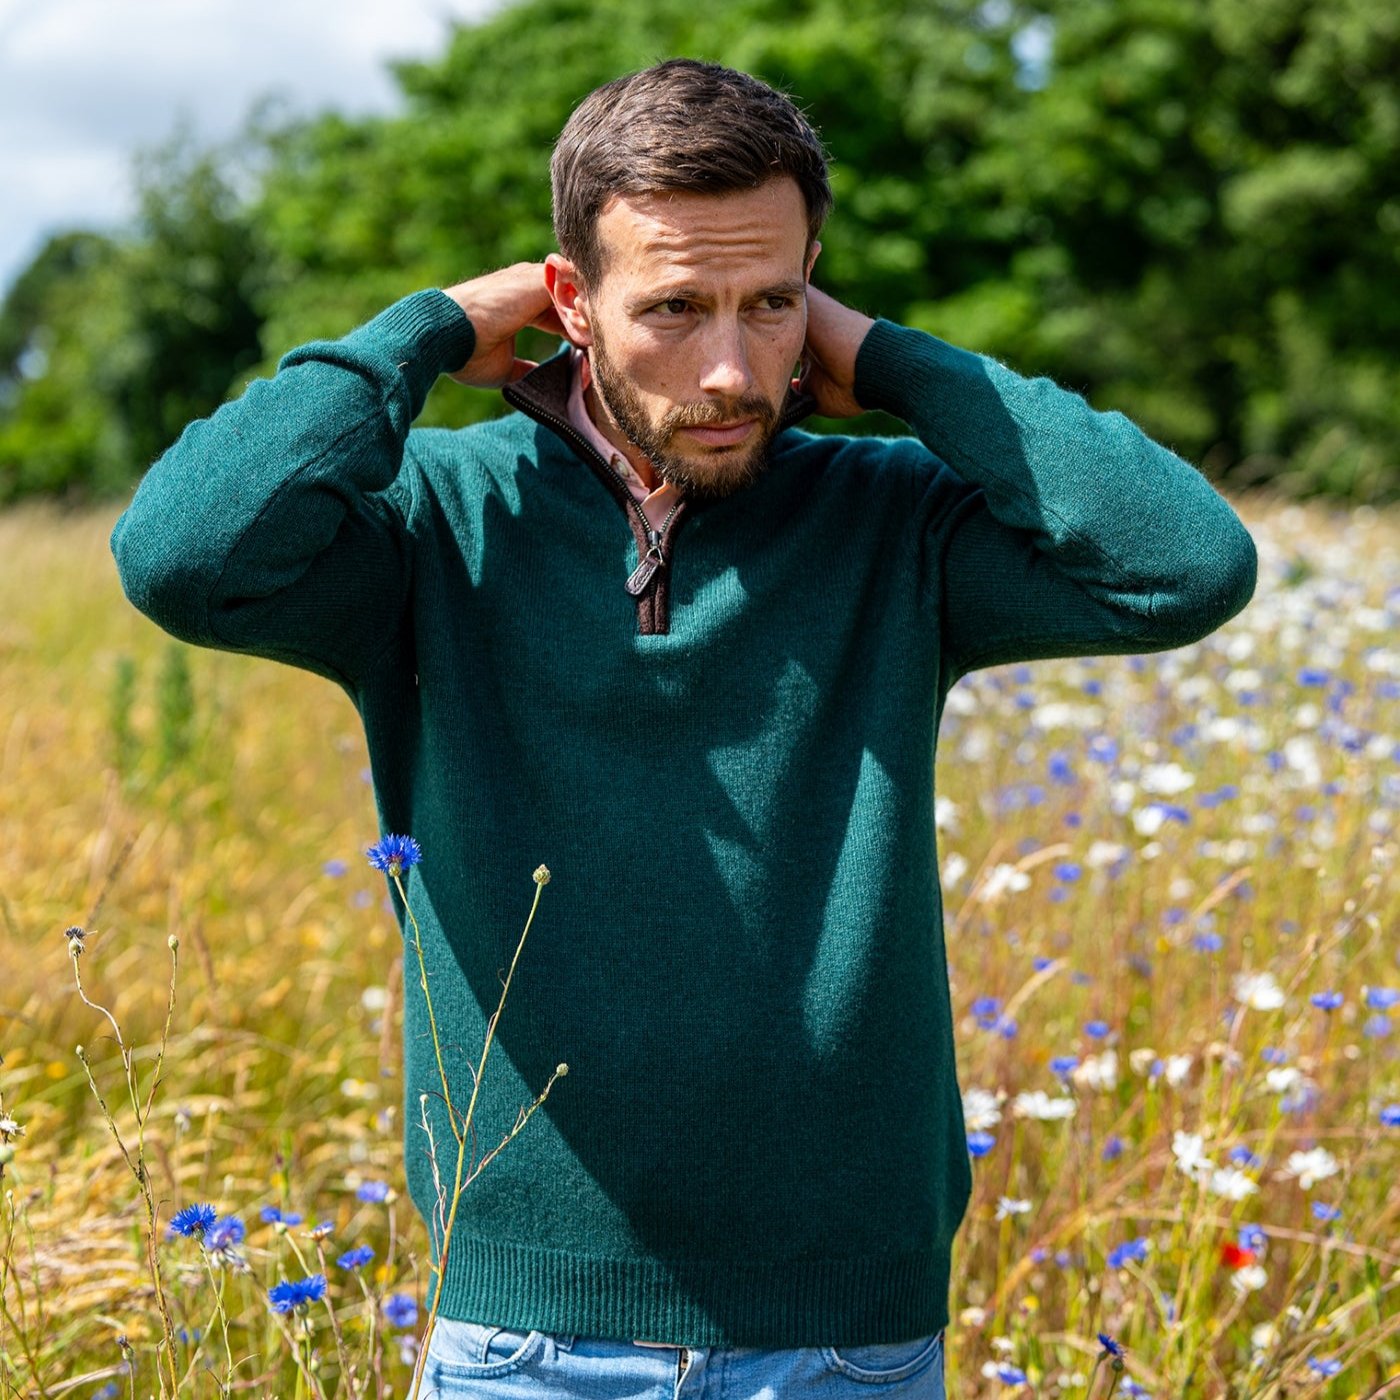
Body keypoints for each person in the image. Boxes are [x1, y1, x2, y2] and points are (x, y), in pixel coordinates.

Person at [111, 57, 1257, 1398]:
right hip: (522, 1339)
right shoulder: (435, 527)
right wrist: (427, 328)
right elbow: (182, 554)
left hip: (845, 1338)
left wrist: (887, 358)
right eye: (671, 308)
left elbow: (1186, 565)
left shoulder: (892, 523)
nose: (728, 368)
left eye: (771, 303)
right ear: (569, 304)